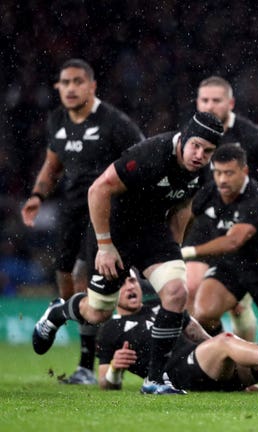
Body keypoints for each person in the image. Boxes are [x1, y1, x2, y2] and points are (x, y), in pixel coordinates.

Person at [31, 111, 223, 395]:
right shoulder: (152, 153)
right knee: (98, 312)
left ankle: (155, 380)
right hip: (113, 231)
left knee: (175, 292)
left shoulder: (203, 172)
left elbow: (184, 209)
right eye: (195, 145)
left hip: (152, 233)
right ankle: (58, 311)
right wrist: (105, 246)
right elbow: (98, 189)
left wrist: (174, 252)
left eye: (208, 151)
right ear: (183, 138)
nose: (199, 155)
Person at [21, 59, 144, 385]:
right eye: (65, 82)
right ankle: (85, 362)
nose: (71, 88)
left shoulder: (115, 123)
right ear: (58, 87)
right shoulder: (57, 120)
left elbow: (142, 159)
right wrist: (37, 195)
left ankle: (90, 365)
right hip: (71, 208)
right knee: (65, 280)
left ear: (92, 86)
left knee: (90, 283)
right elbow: (52, 164)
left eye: (78, 81)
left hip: (106, 211)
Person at [96, 270, 258, 393]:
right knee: (228, 343)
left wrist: (221, 350)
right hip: (178, 374)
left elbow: (192, 329)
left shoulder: (160, 306)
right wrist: (116, 370)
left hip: (205, 363)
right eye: (123, 282)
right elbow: (105, 382)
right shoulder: (111, 328)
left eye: (133, 281)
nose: (131, 286)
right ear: (110, 291)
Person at [180, 145, 258, 345]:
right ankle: (222, 357)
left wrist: (188, 251)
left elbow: (234, 241)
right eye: (218, 173)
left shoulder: (256, 200)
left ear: (244, 171)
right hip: (229, 268)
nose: (222, 179)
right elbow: (186, 214)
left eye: (229, 173)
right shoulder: (209, 192)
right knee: (204, 314)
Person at [188, 75, 258, 338]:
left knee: (237, 304)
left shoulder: (252, 136)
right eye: (204, 100)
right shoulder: (189, 137)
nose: (210, 105)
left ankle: (241, 369)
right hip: (204, 224)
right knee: (191, 290)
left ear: (231, 103)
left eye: (216, 100)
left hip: (242, 226)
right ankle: (211, 357)